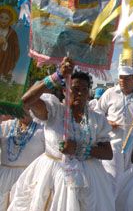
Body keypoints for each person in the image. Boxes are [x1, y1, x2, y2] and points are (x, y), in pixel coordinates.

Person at [9, 57, 115, 210]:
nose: (80, 94)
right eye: (75, 89)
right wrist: (57, 76)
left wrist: (79, 149)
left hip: (91, 179)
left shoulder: (97, 119)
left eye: (84, 90)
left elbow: (108, 153)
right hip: (53, 175)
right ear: (65, 90)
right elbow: (26, 101)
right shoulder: (55, 110)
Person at [95, 65, 133, 179]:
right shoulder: (110, 93)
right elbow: (97, 113)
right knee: (111, 176)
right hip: (113, 142)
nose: (123, 81)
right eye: (121, 78)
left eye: (127, 78)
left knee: (130, 178)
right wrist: (107, 122)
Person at [0, 113, 44, 210]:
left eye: (28, 107)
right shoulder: (5, 126)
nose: (24, 111)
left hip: (29, 179)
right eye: (21, 107)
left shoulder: (42, 129)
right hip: (4, 179)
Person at [0, 6, 20, 77]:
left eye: (6, 18)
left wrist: (5, 44)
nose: (3, 20)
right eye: (1, 17)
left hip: (4, 59)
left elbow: (15, 49)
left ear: (10, 20)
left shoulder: (12, 33)